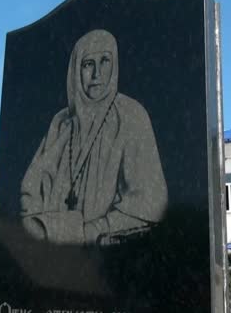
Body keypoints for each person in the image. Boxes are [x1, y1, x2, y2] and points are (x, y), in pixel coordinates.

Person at [20, 29, 168, 246]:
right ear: (76, 70)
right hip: (50, 253)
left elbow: (150, 202)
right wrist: (38, 229)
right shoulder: (61, 123)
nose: (97, 74)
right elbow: (30, 189)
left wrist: (89, 231)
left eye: (105, 61)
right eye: (89, 64)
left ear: (114, 64)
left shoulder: (130, 116)